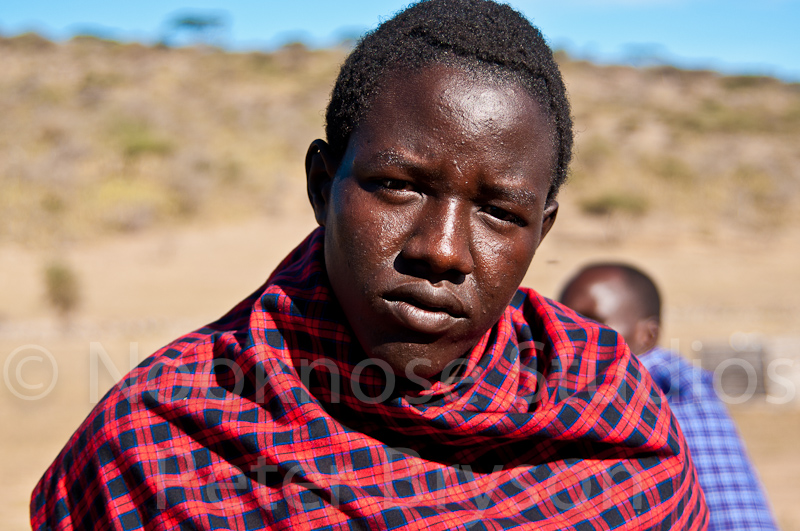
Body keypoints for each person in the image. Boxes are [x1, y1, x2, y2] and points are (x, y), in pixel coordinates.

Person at [32, 1, 708, 529]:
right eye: (397, 185)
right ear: (323, 187)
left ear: (543, 232)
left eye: (500, 212)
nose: (442, 249)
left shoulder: (614, 423)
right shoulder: (161, 440)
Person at [559, 263, 778, 531]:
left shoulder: (668, 388)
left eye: (592, 321)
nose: (569, 335)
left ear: (647, 335)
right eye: (563, 321)